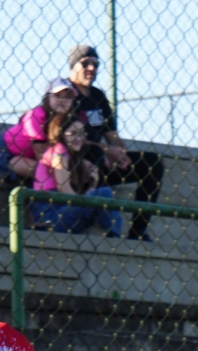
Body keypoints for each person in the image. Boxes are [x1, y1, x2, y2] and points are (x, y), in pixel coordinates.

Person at [66, 45, 164, 241]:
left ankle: (137, 232)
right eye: (86, 63)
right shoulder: (65, 94)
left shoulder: (98, 97)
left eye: (96, 64)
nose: (92, 68)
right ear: (73, 65)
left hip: (102, 163)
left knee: (152, 163)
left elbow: (113, 137)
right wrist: (105, 150)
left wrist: (121, 155)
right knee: (92, 157)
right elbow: (68, 138)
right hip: (75, 164)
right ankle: (109, 231)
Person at [31, 114, 124, 237]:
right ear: (60, 133)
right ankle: (113, 237)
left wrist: (93, 184)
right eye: (73, 133)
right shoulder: (59, 150)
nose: (79, 138)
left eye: (81, 134)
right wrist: (90, 199)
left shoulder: (72, 157)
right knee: (105, 193)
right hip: (51, 217)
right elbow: (64, 189)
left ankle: (113, 236)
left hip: (64, 213)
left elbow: (78, 200)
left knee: (107, 200)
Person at [0, 78, 79, 184]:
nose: (63, 100)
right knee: (52, 172)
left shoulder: (68, 120)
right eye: (57, 95)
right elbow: (42, 155)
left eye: (68, 97)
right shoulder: (36, 114)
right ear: (47, 97)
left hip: (29, 158)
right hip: (4, 152)